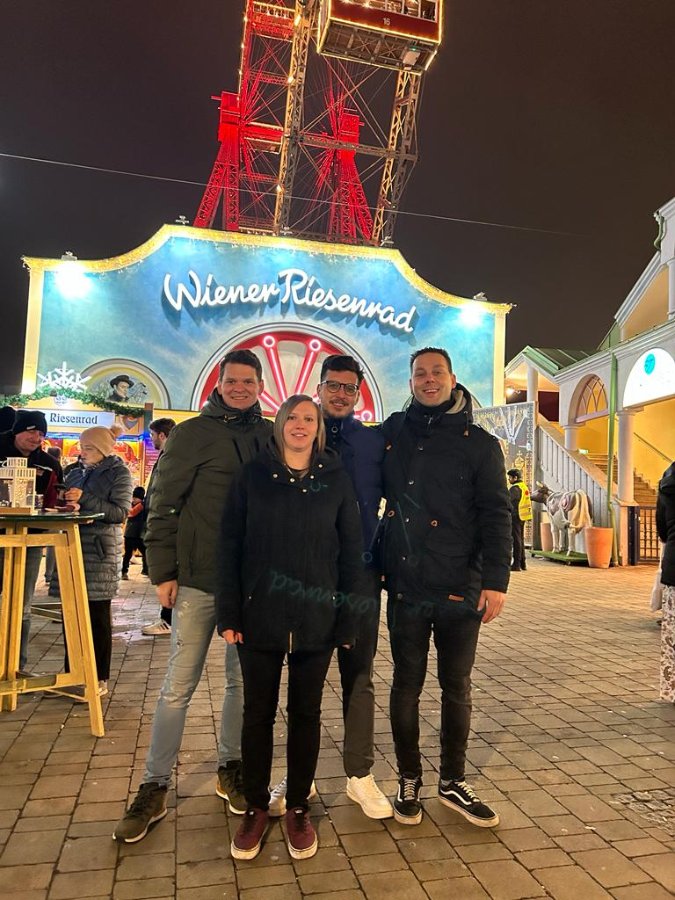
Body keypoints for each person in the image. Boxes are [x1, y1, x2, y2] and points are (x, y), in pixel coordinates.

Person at [113, 350, 272, 844]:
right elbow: (163, 503)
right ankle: (154, 784)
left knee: (240, 683)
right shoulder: (192, 434)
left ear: (260, 385)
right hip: (199, 580)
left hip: (251, 585)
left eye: (248, 381)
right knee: (178, 685)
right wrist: (162, 570)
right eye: (232, 380)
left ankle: (231, 768)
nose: (240, 388)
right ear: (218, 384)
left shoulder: (269, 434)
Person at [217, 395, 364, 861]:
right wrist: (229, 613)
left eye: (309, 418)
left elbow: (351, 552)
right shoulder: (253, 475)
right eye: (292, 418)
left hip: (317, 617)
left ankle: (299, 804)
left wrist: (347, 618)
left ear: (318, 428)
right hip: (259, 615)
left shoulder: (335, 478)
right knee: (257, 714)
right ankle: (256, 806)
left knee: (306, 714)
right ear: (279, 424)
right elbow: (229, 546)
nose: (300, 425)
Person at [380, 347, 511, 827]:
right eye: (420, 374)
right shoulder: (395, 430)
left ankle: (453, 779)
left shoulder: (480, 443)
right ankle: (409, 778)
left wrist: (495, 581)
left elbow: (497, 514)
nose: (429, 380)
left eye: (437, 372)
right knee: (406, 684)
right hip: (407, 583)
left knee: (456, 686)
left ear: (453, 379)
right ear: (411, 382)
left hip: (460, 585)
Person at [49, 423, 132, 695]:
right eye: (81, 447)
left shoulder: (119, 473)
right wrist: (66, 503)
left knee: (96, 617)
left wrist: (84, 498)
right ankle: (73, 673)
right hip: (71, 546)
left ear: (103, 449)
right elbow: (71, 504)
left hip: (99, 553)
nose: (82, 452)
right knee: (70, 614)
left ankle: (98, 678)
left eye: (88, 448)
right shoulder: (74, 471)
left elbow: (119, 513)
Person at [0, 410, 62, 670]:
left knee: (21, 604)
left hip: (30, 540)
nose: (37, 437)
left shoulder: (49, 464)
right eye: (32, 431)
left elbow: (57, 500)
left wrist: (67, 502)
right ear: (17, 431)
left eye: (41, 433)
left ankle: (16, 666)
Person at [140, 417, 176, 635]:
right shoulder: (166, 456)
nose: (151, 439)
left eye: (153, 435)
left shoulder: (172, 457)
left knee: (169, 573)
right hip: (158, 519)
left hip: (166, 523)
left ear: (162, 435)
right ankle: (167, 618)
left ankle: (168, 620)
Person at [656, 461, 675, 703]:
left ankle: (673, 689)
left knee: (673, 635)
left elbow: (662, 530)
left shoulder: (667, 482)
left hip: (673, 565)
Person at [507, 468, 532, 571]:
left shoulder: (515, 489)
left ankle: (516, 564)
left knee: (516, 540)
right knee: (520, 539)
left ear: (515, 478)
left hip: (516, 516)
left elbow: (508, 501)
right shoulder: (523, 486)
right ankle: (522, 563)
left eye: (510, 477)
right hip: (523, 516)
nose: (509, 479)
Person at [121, 486, 148, 579]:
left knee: (145, 552)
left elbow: (132, 513)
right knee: (128, 554)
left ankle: (146, 570)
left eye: (135, 498)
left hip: (138, 534)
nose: (133, 500)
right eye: (133, 497)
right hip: (130, 534)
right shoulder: (134, 505)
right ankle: (124, 572)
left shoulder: (141, 505)